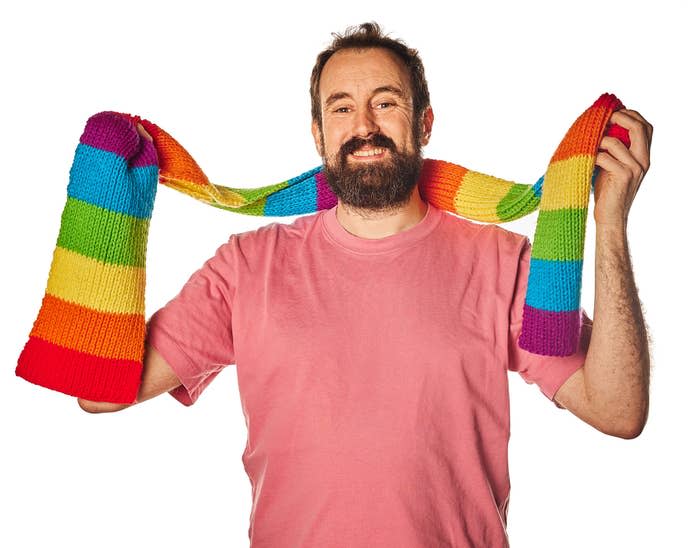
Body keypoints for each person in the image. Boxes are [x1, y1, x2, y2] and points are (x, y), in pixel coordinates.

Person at [77, 22, 652, 547]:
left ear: (424, 121)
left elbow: (617, 410)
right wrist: (114, 202)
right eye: (342, 108)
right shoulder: (245, 268)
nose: (365, 127)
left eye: (386, 103)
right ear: (318, 134)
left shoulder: (501, 263)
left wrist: (609, 226)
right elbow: (100, 391)